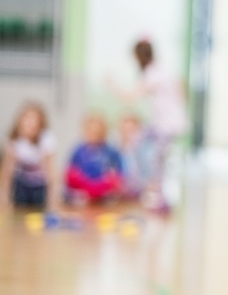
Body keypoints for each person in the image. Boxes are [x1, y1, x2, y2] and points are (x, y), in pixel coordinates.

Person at [107, 39, 187, 212]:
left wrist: (111, 84)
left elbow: (129, 98)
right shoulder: (163, 70)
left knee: (157, 160)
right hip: (165, 123)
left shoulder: (152, 74)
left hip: (166, 125)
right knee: (137, 142)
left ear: (139, 56)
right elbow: (181, 89)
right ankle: (139, 186)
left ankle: (160, 197)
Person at [0, 101, 59, 211]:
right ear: (20, 122)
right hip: (21, 183)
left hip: (39, 184)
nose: (30, 124)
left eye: (34, 120)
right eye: (27, 119)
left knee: (39, 211)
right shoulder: (13, 140)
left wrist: (53, 198)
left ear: (40, 124)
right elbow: (7, 171)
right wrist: (4, 197)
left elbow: (50, 171)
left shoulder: (46, 140)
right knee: (19, 210)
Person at [64, 113, 124, 205]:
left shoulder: (111, 151)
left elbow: (119, 176)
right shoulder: (78, 151)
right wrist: (85, 186)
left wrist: (105, 185)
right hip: (82, 199)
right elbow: (70, 175)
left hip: (106, 199)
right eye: (90, 131)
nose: (93, 134)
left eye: (97, 132)